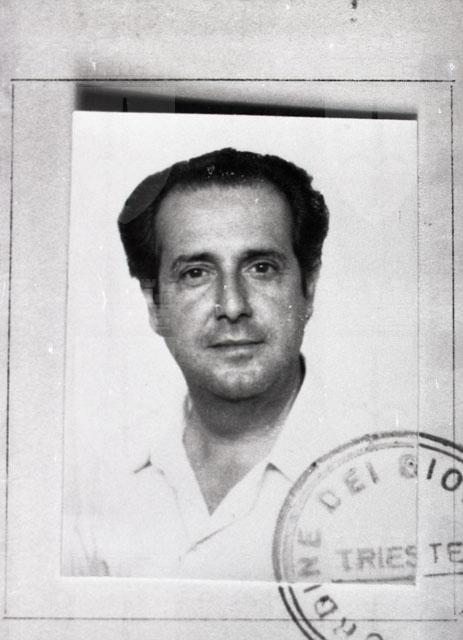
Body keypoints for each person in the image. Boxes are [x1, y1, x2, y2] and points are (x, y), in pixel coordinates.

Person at [62, 147, 331, 580]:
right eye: (196, 273)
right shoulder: (100, 481)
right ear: (155, 306)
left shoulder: (400, 472)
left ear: (308, 290)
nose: (232, 306)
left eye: (261, 268)